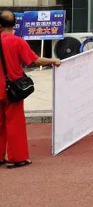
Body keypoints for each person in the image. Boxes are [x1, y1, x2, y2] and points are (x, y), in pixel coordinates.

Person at [0, 10, 61, 168]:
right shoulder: (17, 42)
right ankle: (17, 157)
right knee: (15, 124)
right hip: (11, 89)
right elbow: (35, 61)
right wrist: (53, 60)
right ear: (15, 24)